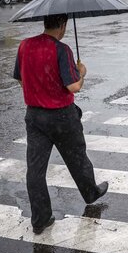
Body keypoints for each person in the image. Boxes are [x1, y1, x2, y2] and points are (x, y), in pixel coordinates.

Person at [13, 13, 108, 235]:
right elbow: (73, 87)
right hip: (62, 117)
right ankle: (91, 192)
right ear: (63, 25)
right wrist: (81, 73)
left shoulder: (25, 45)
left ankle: (40, 219)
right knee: (77, 158)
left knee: (35, 170)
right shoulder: (61, 49)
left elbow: (20, 78)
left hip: (35, 117)